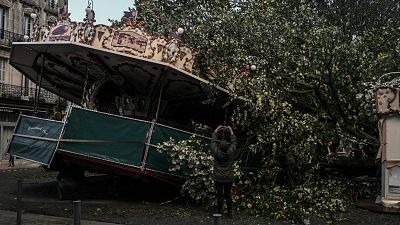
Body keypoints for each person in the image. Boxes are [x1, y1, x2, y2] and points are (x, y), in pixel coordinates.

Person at [211, 125, 237, 218]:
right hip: (228, 178)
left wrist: (216, 130)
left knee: (219, 195)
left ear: (220, 146)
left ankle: (219, 212)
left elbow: (213, 141)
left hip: (218, 177)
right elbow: (234, 143)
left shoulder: (216, 151)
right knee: (228, 195)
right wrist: (231, 132)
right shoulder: (230, 152)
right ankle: (230, 212)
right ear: (227, 147)